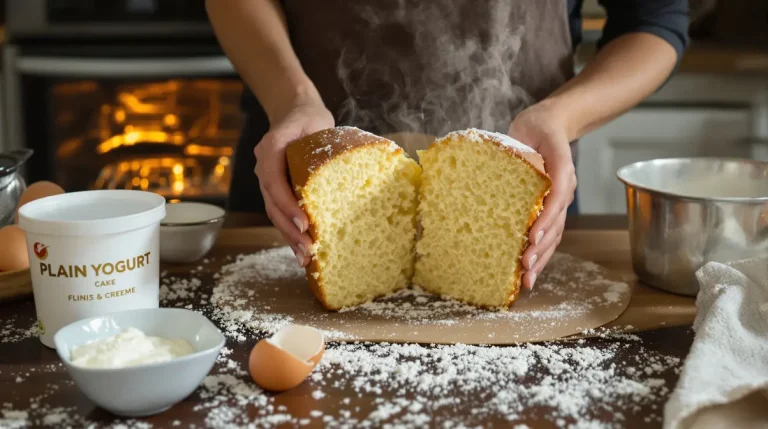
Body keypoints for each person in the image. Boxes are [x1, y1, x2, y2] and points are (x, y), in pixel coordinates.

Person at [206, 0, 688, 289]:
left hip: (525, 176)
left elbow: (656, 19)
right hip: (301, 174)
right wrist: (292, 100)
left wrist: (560, 117)